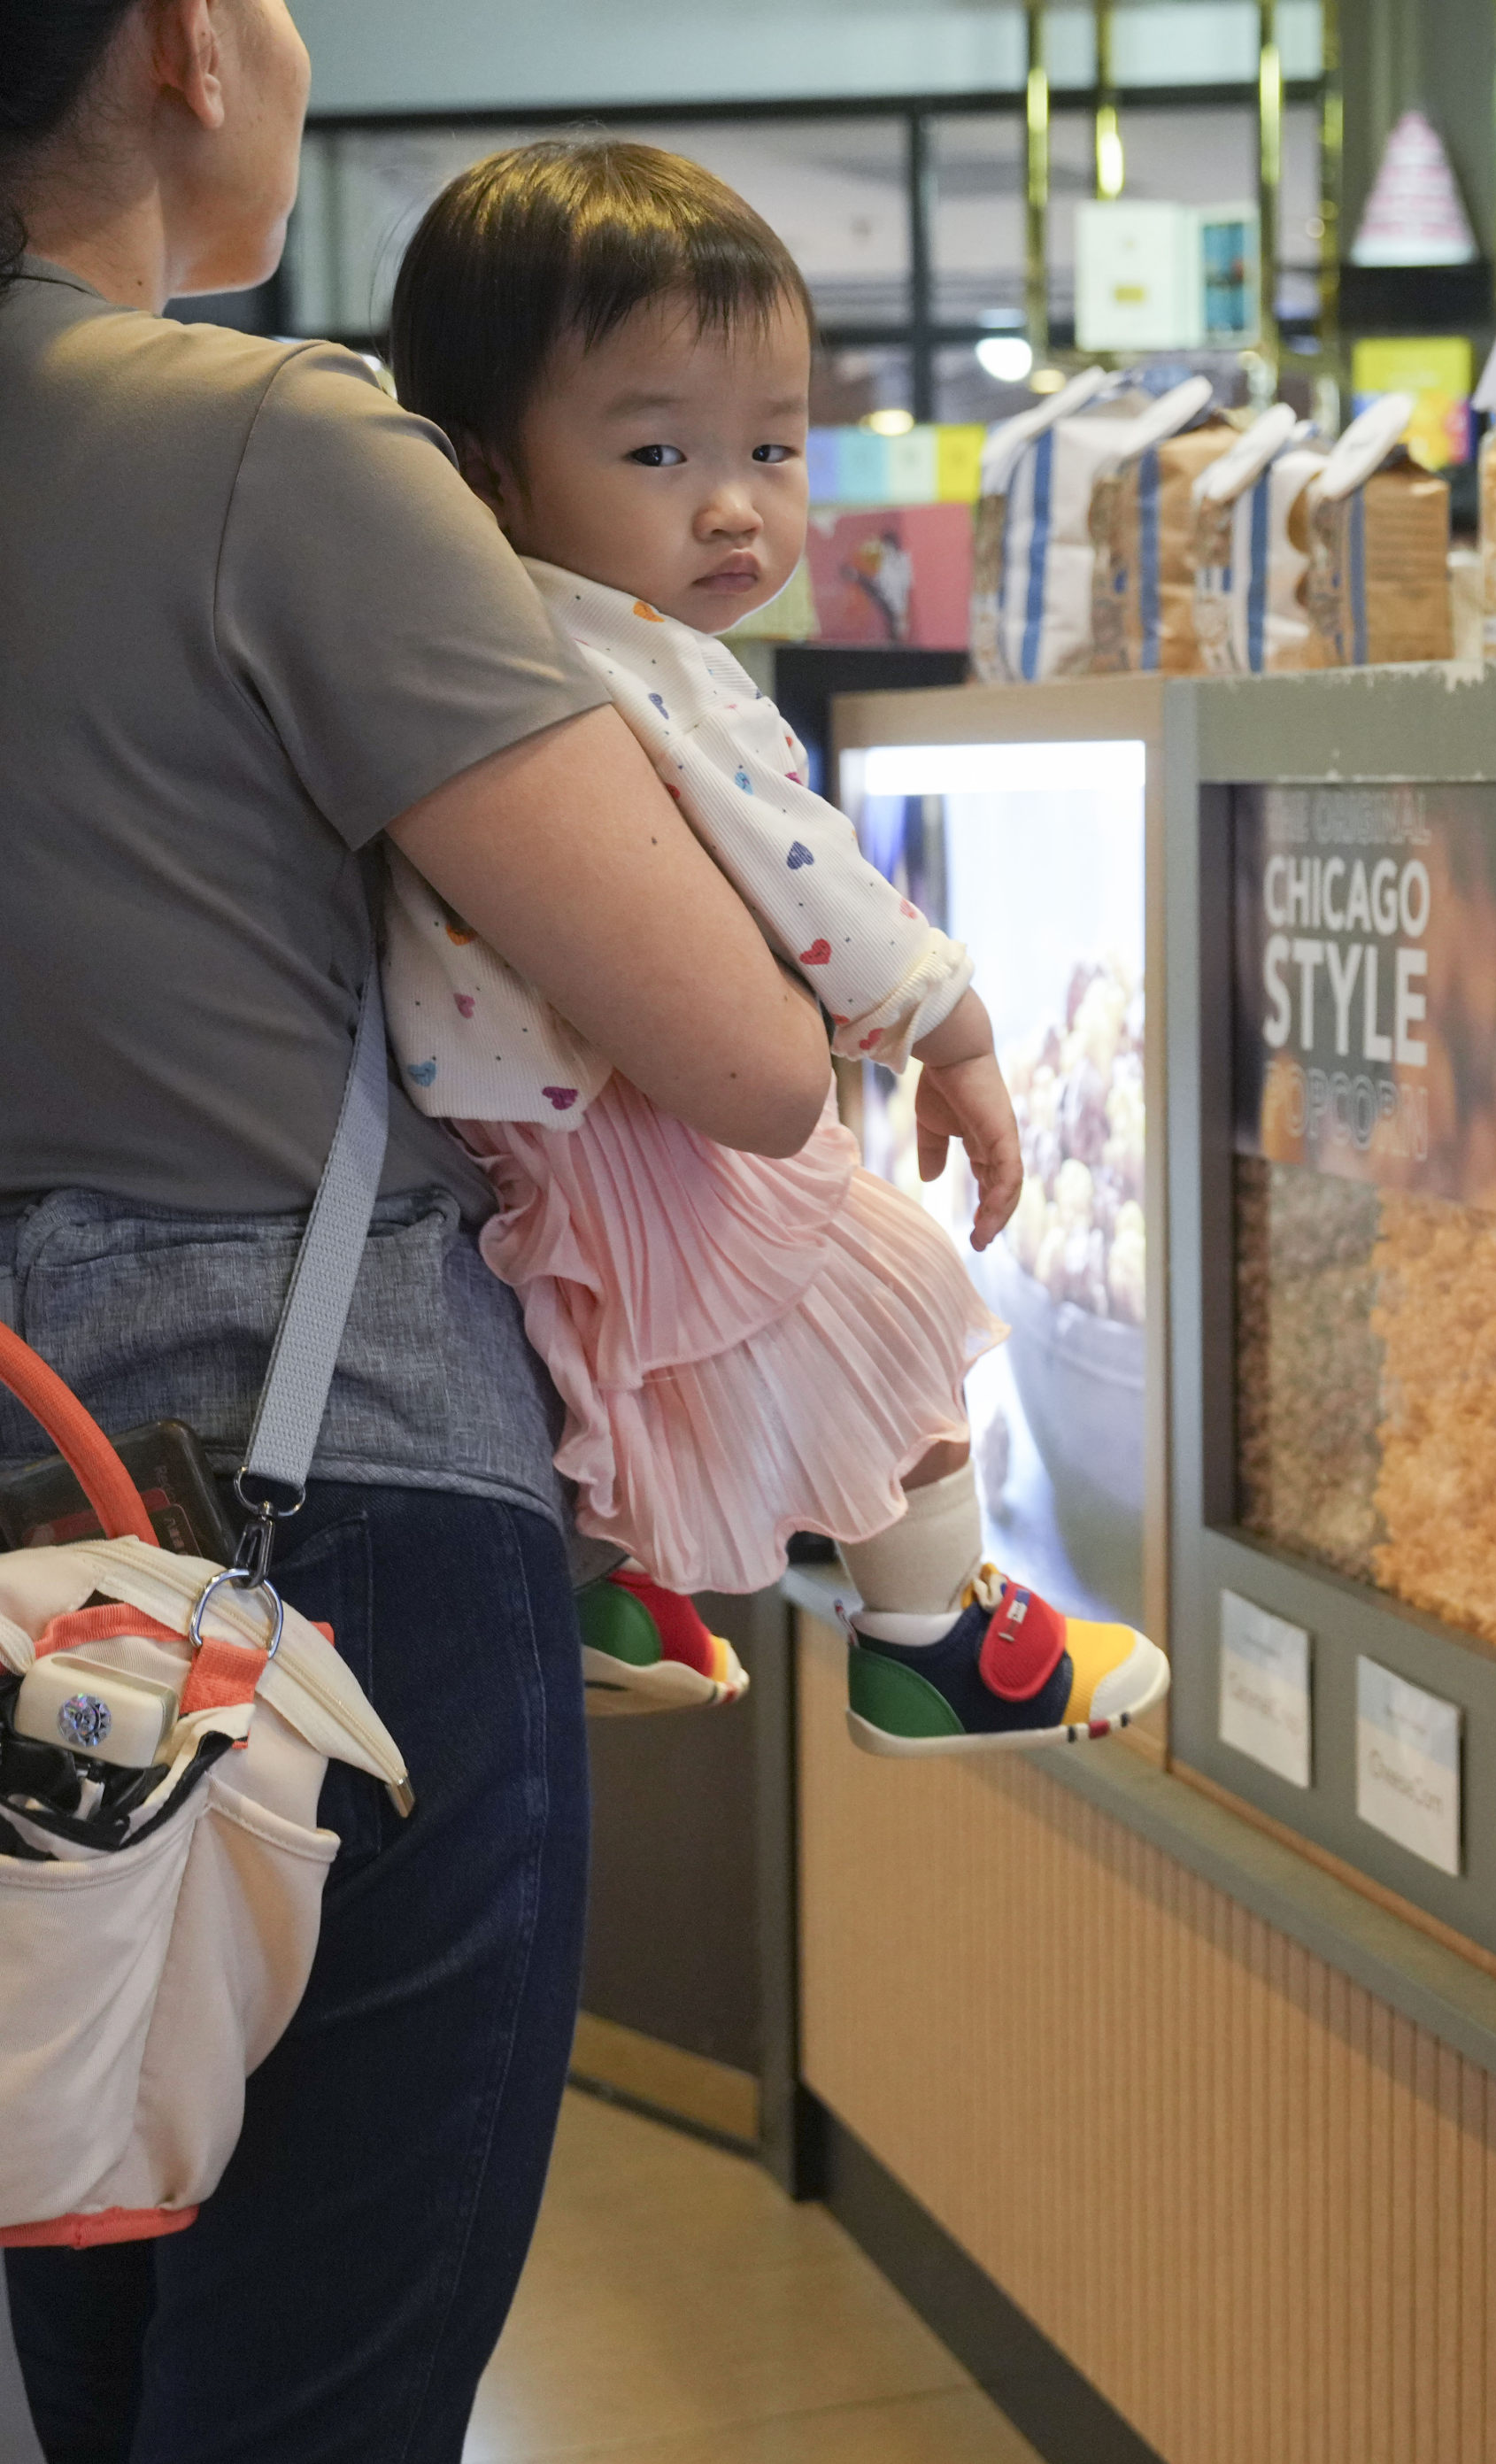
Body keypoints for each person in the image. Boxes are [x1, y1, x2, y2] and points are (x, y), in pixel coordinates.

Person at [0, 4, 836, 2458]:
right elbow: (747, 1053)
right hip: (313, 1508)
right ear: (174, 46)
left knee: (96, 2305)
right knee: (324, 2376)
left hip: (24, 1503)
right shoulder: (264, 440)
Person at [378, 137, 1168, 1756]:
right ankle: (936, 1640)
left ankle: (608, 1590)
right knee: (893, 1294)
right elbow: (802, 872)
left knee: (618, 1360)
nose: (737, 505)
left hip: (520, 1116)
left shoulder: (458, 637)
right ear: (487, 473)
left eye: (777, 448)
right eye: (661, 450)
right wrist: (948, 1025)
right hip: (629, 1112)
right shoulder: (634, 661)